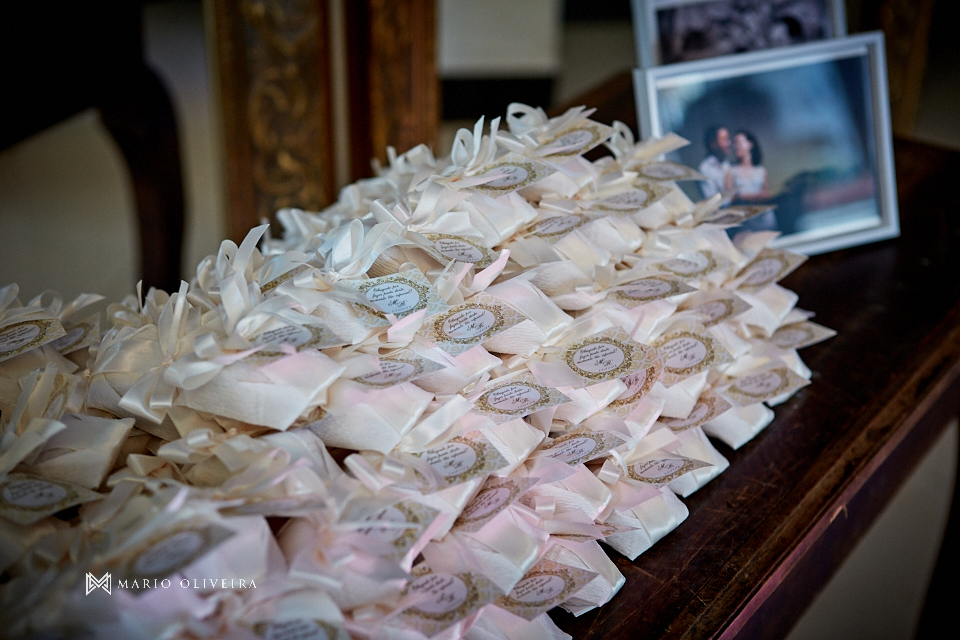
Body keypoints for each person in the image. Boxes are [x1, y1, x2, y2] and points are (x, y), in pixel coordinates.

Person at [725, 130, 771, 201]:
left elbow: (765, 194)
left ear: (750, 144)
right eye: (735, 143)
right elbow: (729, 198)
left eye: (739, 142)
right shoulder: (731, 171)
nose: (736, 146)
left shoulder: (761, 171)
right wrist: (752, 196)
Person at [698, 125, 731, 198]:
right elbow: (711, 199)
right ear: (713, 144)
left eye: (728, 139)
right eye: (724, 140)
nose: (729, 143)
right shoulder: (705, 169)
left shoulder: (728, 164)